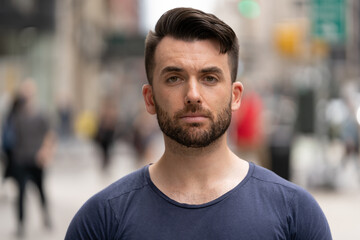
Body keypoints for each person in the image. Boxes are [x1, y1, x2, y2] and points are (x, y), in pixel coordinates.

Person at [65, 7, 332, 239]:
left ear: (235, 96)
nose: (193, 95)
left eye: (210, 78)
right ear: (149, 98)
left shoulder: (296, 214)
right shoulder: (101, 220)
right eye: (174, 78)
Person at [12, 79, 55, 236]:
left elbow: (49, 134)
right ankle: (21, 224)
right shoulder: (17, 114)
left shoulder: (40, 114)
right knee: (21, 193)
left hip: (37, 159)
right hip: (21, 159)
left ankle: (46, 217)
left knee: (41, 190)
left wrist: (45, 152)